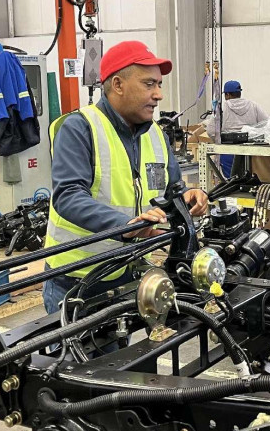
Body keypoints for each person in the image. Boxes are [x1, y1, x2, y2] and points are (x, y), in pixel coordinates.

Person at [42, 41, 209, 314]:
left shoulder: (155, 134)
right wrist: (124, 225)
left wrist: (187, 199)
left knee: (125, 355)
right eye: (149, 84)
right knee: (77, 357)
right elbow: (68, 196)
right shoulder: (80, 128)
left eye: (159, 85)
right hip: (76, 280)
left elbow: (171, 190)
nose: (158, 95)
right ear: (118, 85)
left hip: (128, 273)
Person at [206, 80, 268, 177]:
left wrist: (219, 141)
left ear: (227, 95)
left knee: (230, 183)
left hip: (228, 152)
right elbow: (266, 124)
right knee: (250, 181)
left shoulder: (222, 107)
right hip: (251, 152)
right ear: (239, 93)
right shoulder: (253, 105)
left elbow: (210, 130)